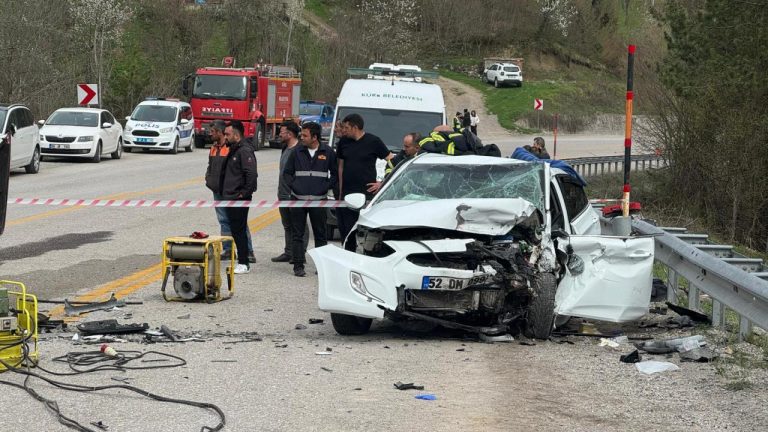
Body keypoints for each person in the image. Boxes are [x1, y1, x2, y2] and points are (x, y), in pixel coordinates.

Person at [283, 122, 337, 277]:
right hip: (298, 199)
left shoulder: (327, 152)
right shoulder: (297, 151)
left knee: (320, 235)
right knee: (297, 234)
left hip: (319, 200)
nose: (302, 138)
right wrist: (294, 186)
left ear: (315, 137)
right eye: (301, 135)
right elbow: (287, 173)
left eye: (305, 135)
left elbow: (334, 174)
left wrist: (325, 188)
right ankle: (298, 266)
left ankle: (321, 267)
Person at [335, 113, 392, 244]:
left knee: (365, 232)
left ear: (355, 127)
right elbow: (341, 168)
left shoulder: (374, 141)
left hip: (367, 195)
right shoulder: (343, 142)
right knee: (347, 231)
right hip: (347, 194)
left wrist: (382, 183)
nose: (343, 130)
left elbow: (392, 162)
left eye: (346, 127)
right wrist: (340, 191)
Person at [204, 120, 255, 263]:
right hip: (218, 190)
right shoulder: (214, 148)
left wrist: (243, 193)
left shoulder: (235, 149)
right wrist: (209, 179)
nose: (210, 134)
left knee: (239, 223)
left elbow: (248, 173)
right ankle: (227, 249)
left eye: (213, 131)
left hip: (232, 193)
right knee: (224, 221)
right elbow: (211, 166)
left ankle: (247, 251)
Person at [221, 120, 258, 274]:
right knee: (235, 230)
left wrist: (244, 193)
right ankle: (241, 260)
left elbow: (251, 174)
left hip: (238, 198)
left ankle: (244, 262)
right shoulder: (234, 149)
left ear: (236, 135)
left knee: (239, 230)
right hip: (230, 197)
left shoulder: (244, 150)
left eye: (227, 134)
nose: (225, 137)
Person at [271, 121, 309, 263]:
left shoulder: (300, 150)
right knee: (287, 224)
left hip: (295, 194)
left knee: (300, 225)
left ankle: (300, 253)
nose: (279, 134)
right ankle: (289, 252)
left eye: (282, 131)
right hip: (283, 194)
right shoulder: (284, 148)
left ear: (290, 134)